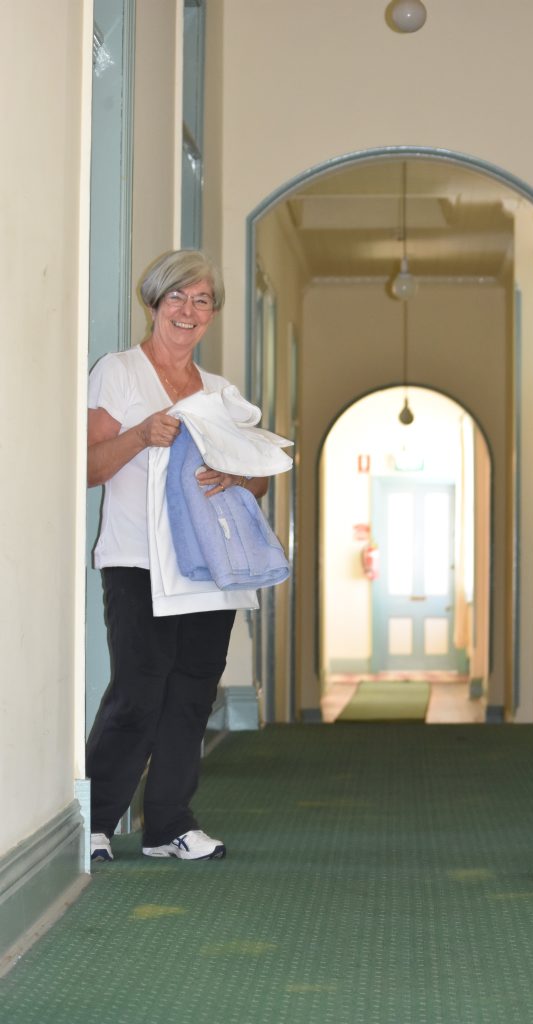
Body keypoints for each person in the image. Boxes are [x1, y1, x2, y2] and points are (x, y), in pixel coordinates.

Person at [86, 249, 267, 863]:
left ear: (212, 314)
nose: (189, 312)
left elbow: (261, 478)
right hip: (137, 559)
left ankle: (168, 826)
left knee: (192, 694)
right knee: (137, 692)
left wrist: (235, 476)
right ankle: (96, 823)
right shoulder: (119, 373)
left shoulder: (220, 393)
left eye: (202, 302)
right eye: (177, 299)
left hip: (208, 565)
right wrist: (142, 434)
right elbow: (87, 466)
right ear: (154, 304)